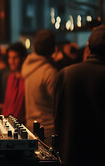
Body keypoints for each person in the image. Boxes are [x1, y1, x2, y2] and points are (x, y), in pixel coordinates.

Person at [53, 25, 105, 165]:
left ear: (89, 47)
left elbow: (57, 117)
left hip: (70, 154)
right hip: (99, 155)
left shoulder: (66, 74)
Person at [21, 29, 57, 146]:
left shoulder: (28, 68)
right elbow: (58, 103)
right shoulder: (49, 72)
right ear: (52, 49)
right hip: (48, 130)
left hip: (30, 127)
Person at [1, 42, 28, 124]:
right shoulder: (10, 78)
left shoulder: (27, 79)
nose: (11, 61)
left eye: (15, 58)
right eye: (9, 58)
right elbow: (7, 104)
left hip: (22, 125)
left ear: (22, 58)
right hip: (7, 124)